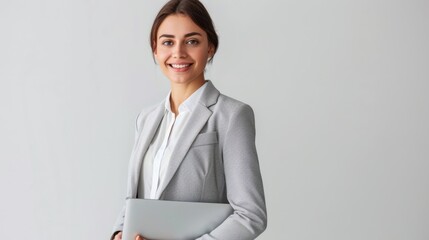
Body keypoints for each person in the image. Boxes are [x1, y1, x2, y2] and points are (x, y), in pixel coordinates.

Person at [111, 0, 267, 239]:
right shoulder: (146, 119)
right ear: (155, 49)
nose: (178, 53)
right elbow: (134, 199)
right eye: (168, 42)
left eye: (192, 41)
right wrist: (119, 233)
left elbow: (250, 215)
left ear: (210, 47)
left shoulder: (232, 115)